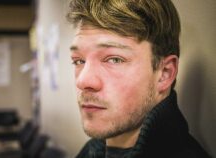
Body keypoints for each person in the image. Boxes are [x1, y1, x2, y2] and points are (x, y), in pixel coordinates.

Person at [67, 0, 210, 158]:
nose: (82, 81)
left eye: (114, 59)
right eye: (78, 61)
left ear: (165, 73)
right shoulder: (90, 151)